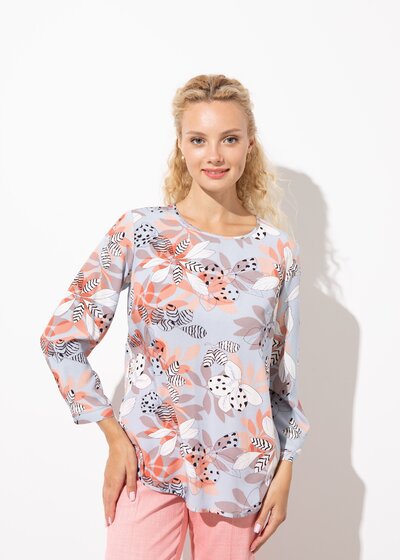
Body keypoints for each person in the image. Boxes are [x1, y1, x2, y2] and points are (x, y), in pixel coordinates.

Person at [39, 73, 311, 559]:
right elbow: (62, 337)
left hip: (240, 472)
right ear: (181, 147)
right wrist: (112, 436)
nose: (215, 155)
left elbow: (280, 378)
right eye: (198, 140)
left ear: (250, 146)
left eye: (230, 139)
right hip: (148, 463)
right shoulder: (141, 231)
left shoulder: (277, 252)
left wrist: (286, 469)